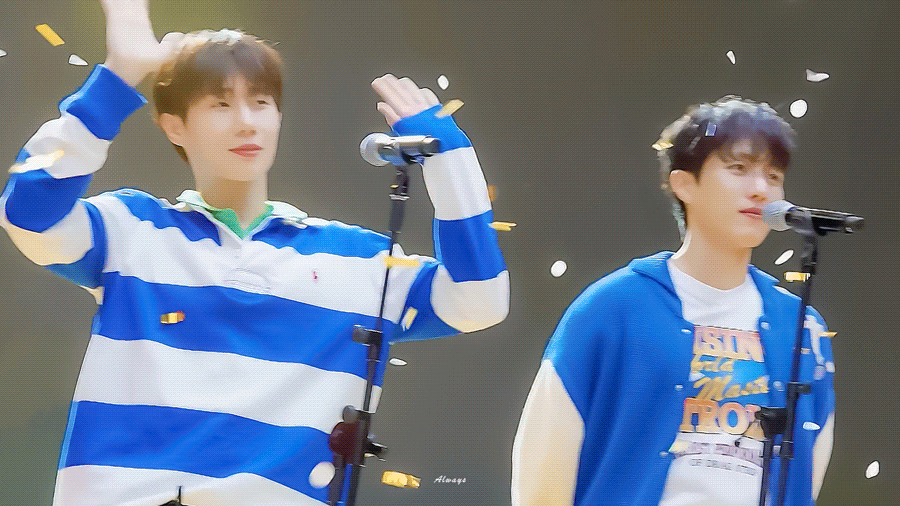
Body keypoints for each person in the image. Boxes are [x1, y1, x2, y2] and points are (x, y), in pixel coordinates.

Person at [0, 0, 509, 505]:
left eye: (261, 102)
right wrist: (116, 79)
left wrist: (449, 157)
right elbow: (28, 215)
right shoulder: (132, 230)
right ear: (174, 126)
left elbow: (480, 300)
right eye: (220, 105)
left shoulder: (357, 261)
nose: (247, 122)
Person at [511, 97, 835, 506]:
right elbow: (542, 474)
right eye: (738, 168)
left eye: (773, 176)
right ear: (684, 184)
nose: (760, 190)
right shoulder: (613, 308)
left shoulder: (803, 328)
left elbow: (807, 475)